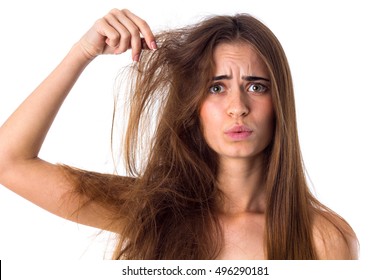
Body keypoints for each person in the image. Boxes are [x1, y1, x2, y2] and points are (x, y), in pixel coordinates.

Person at [0, 8, 358, 260]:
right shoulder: (151, 211)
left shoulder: (324, 238)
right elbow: (9, 162)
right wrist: (82, 52)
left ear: (281, 103)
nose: (238, 106)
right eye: (216, 88)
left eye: (257, 86)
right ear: (193, 107)